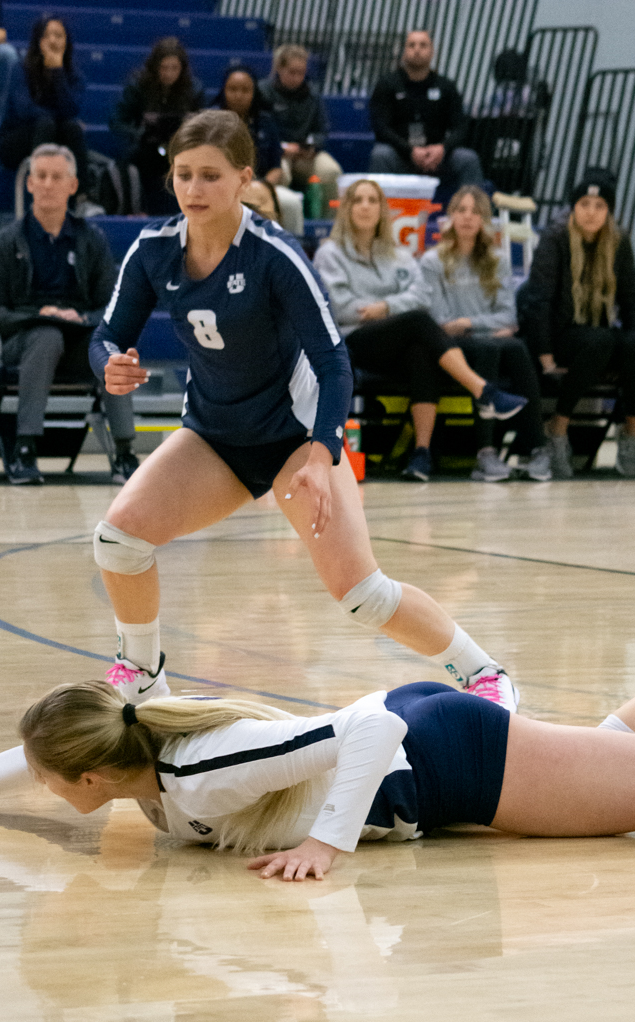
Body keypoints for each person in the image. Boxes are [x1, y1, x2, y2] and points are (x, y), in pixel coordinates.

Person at [84, 109, 519, 711]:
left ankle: (483, 672)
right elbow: (105, 334)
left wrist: (321, 454)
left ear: (243, 178)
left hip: (297, 437)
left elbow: (334, 358)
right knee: (118, 540)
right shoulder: (154, 249)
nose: (193, 188)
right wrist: (109, 362)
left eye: (210, 175)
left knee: (361, 593)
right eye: (183, 174)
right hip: (216, 436)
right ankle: (142, 669)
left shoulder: (272, 255)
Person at [0, 633, 635, 884]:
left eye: (52, 781)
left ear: (93, 781)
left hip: (432, 752)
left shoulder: (194, 773)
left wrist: (330, 847)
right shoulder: (129, 749)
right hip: (429, 748)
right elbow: (31, 757)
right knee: (629, 750)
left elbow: (368, 735)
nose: (41, 786)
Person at [312, 178, 527, 483]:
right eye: (357, 200)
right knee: (416, 322)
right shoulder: (330, 253)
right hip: (354, 341)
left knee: (421, 352)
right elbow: (343, 307)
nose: (365, 206)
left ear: (382, 210)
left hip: (394, 342)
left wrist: (385, 307)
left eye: (372, 200)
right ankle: (484, 391)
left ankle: (421, 454)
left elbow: (421, 296)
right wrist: (393, 307)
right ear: (346, 209)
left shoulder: (398, 254)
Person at [0, 144, 138, 486]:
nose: (48, 184)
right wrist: (39, 316)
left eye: (56, 177)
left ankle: (125, 453)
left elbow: (113, 307)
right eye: (41, 176)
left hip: (78, 341)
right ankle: (24, 449)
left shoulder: (92, 240)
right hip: (24, 342)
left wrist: (78, 318)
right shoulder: (6, 241)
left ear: (73, 185)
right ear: (30, 185)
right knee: (46, 335)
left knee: (111, 350)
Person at [516, 168, 635, 479]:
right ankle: (558, 427)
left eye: (600, 206)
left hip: (597, 333)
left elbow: (631, 300)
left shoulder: (618, 240)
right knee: (600, 340)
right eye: (585, 204)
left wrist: (633, 348)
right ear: (574, 207)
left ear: (609, 211)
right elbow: (540, 301)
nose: (591, 212)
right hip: (560, 335)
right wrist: (545, 354)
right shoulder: (555, 238)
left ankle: (632, 432)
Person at [419, 186, 551, 482]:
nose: (467, 217)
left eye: (475, 212)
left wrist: (467, 322)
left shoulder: (497, 261)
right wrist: (483, 326)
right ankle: (485, 453)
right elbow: (440, 321)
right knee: (494, 347)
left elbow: (509, 317)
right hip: (450, 348)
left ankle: (537, 449)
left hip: (484, 340)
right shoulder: (432, 262)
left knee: (516, 347)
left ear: (484, 221)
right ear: (450, 217)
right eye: (461, 210)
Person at [368, 29, 483, 196]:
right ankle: (379, 214)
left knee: (468, 159)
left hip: (437, 158)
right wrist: (410, 151)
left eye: (423, 45)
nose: (417, 49)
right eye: (411, 45)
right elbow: (381, 127)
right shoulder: (387, 84)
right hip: (401, 156)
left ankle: (475, 214)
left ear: (432, 51)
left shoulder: (446, 87)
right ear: (403, 52)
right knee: (380, 155)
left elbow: (461, 127)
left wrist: (442, 149)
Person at [110, 37, 203, 216]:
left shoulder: (193, 89)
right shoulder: (138, 85)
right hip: (145, 149)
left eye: (174, 68)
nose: (169, 73)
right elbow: (117, 121)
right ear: (155, 67)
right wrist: (140, 132)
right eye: (164, 68)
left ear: (182, 69)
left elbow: (201, 124)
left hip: (180, 150)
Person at [0, 17, 88, 195]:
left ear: (67, 41)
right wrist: (55, 117)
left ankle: (81, 198)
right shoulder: (21, 68)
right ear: (38, 41)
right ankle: (39, 194)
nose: (53, 40)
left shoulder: (74, 74)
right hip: (16, 139)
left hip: (54, 136)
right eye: (47, 36)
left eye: (59, 36)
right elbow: (24, 110)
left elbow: (71, 110)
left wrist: (57, 72)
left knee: (72, 128)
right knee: (46, 123)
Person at [211, 64, 304, 237]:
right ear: (223, 90)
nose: (239, 95)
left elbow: (276, 167)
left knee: (291, 203)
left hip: (261, 184)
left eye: (245, 90)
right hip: (220, 187)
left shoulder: (266, 122)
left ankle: (293, 252)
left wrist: (261, 186)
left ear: (254, 93)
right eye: (233, 89)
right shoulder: (210, 123)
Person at [258, 44, 342, 216]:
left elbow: (321, 131)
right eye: (292, 72)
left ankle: (327, 225)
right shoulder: (263, 92)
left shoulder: (313, 95)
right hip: (276, 153)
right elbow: (261, 129)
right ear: (279, 69)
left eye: (301, 73)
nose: (297, 77)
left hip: (304, 153)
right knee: (281, 174)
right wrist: (279, 148)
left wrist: (309, 146)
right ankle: (277, 222)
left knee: (331, 171)